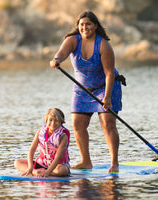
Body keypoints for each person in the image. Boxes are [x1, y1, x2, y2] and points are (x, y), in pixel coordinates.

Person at [49, 11, 123, 173]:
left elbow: (110, 73)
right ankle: (86, 161)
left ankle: (114, 163)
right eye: (82, 24)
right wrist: (57, 60)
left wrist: (107, 97)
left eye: (88, 24)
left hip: (106, 87)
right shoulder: (72, 41)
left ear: (95, 26)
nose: (85, 27)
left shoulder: (103, 45)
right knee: (77, 124)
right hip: (82, 90)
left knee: (107, 124)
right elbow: (61, 53)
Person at [14, 108, 71, 177]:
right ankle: (35, 172)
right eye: (50, 120)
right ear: (46, 120)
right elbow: (31, 150)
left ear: (61, 122)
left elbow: (58, 157)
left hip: (57, 166)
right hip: (42, 164)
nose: (53, 123)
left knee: (63, 171)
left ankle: (46, 172)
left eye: (56, 120)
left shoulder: (63, 136)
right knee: (17, 162)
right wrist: (30, 167)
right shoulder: (40, 132)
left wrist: (48, 172)